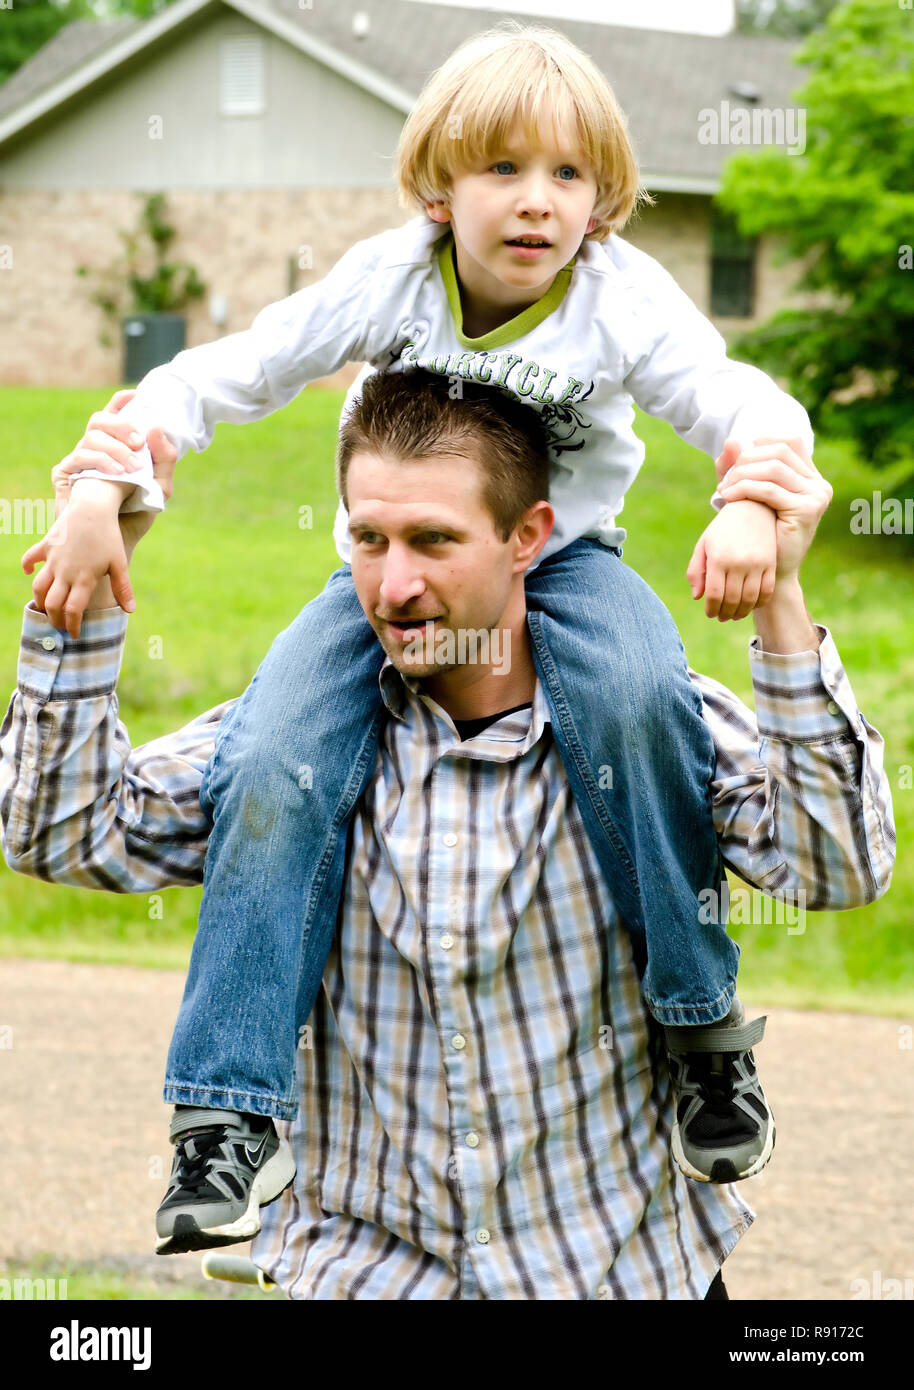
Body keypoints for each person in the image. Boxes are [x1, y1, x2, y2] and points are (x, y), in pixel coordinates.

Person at [22, 24, 820, 1244]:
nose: (536, 203)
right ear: (441, 186)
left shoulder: (619, 295)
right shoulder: (390, 276)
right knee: (273, 753)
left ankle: (699, 1025)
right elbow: (229, 372)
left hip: (567, 566)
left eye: (567, 176)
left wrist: (750, 503)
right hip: (398, 569)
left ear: (602, 200)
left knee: (638, 702)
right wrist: (96, 490)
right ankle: (226, 1113)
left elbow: (741, 401)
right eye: (502, 170)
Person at [1, 369, 893, 1300]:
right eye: (369, 540)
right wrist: (86, 588)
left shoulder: (648, 729)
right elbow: (60, 833)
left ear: (527, 538)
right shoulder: (283, 749)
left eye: (434, 540)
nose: (395, 584)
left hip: (622, 1272)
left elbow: (837, 867)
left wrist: (782, 596)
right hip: (366, 1278)